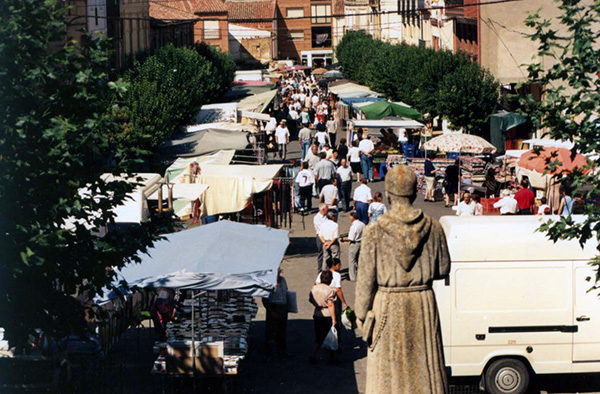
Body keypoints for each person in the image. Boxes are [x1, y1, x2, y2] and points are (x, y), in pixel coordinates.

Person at [356, 165, 450, 394]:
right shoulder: (434, 228)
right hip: (422, 304)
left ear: (388, 194)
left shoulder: (374, 231)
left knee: (388, 377)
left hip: (387, 305)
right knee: (424, 368)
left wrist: (361, 316)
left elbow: (365, 283)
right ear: (414, 193)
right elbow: (443, 268)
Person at [316, 258, 348, 346]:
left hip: (323, 298)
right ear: (334, 266)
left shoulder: (322, 274)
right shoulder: (337, 275)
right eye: (339, 264)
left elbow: (316, 284)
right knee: (336, 319)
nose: (340, 266)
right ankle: (336, 341)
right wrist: (344, 302)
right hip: (334, 299)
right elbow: (338, 290)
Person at [308, 270, 337, 364]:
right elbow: (331, 305)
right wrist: (334, 319)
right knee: (330, 335)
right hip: (327, 314)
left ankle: (313, 355)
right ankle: (331, 357)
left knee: (319, 336)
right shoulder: (330, 291)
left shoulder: (314, 288)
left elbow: (311, 300)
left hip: (317, 313)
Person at [262, 268, 289, 359]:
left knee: (282, 331)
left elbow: (286, 292)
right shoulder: (269, 283)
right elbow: (264, 299)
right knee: (271, 332)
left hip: (283, 307)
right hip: (274, 307)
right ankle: (268, 354)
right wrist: (271, 311)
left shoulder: (283, 280)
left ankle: (282, 352)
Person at [341, 212, 365, 282]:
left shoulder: (354, 226)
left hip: (354, 244)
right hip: (361, 242)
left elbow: (351, 238)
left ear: (352, 217)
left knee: (352, 261)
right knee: (359, 260)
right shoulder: (362, 224)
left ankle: (352, 277)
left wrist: (344, 239)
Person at [313, 204, 329, 272]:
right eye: (327, 209)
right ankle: (320, 270)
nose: (327, 210)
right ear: (323, 209)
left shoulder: (325, 216)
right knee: (321, 253)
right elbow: (321, 228)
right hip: (321, 237)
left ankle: (326, 268)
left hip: (327, 236)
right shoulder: (317, 218)